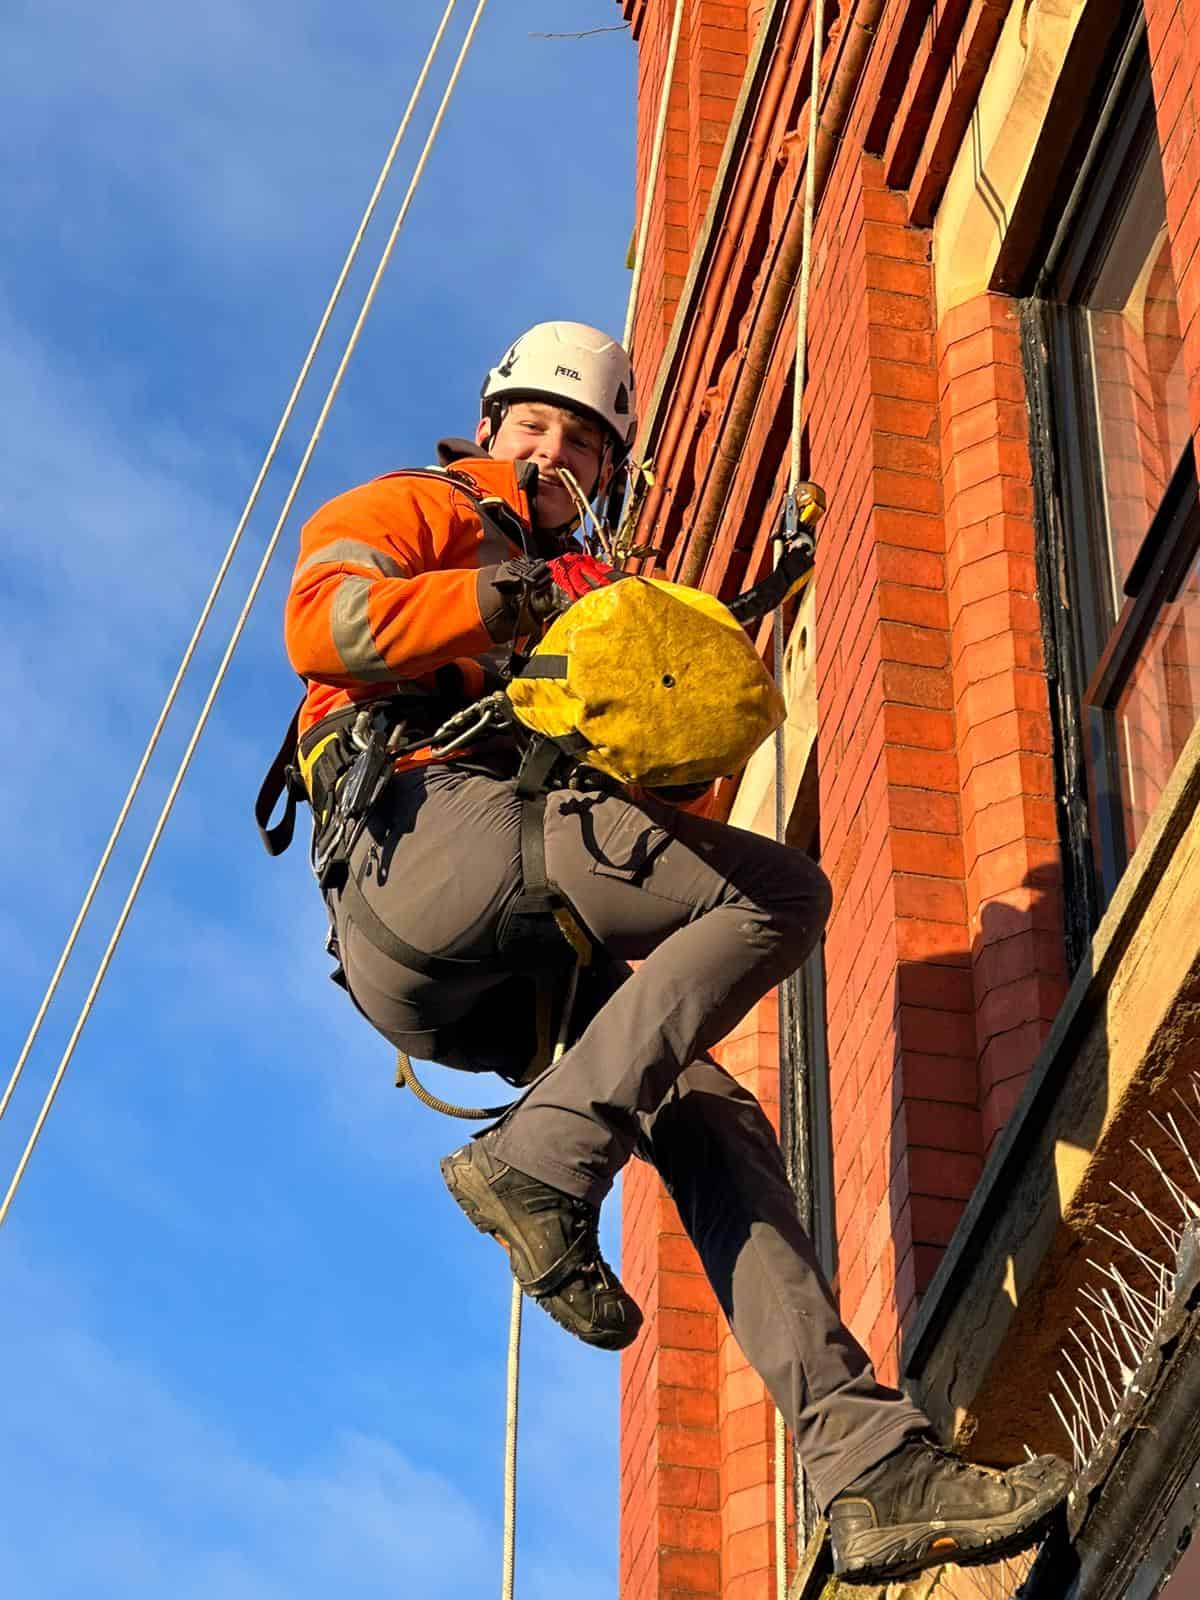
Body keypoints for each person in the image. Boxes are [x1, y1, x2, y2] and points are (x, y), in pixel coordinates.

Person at [278, 320, 1069, 1584]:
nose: (554, 452)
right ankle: (539, 1162)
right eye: (535, 426)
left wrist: (716, 646)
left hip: (506, 947)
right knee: (782, 894)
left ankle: (868, 1467)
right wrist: (507, 593)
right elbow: (326, 627)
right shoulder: (422, 509)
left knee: (710, 1115)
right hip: (429, 845)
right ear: (490, 430)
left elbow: (669, 818)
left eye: (582, 440)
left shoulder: (598, 598)